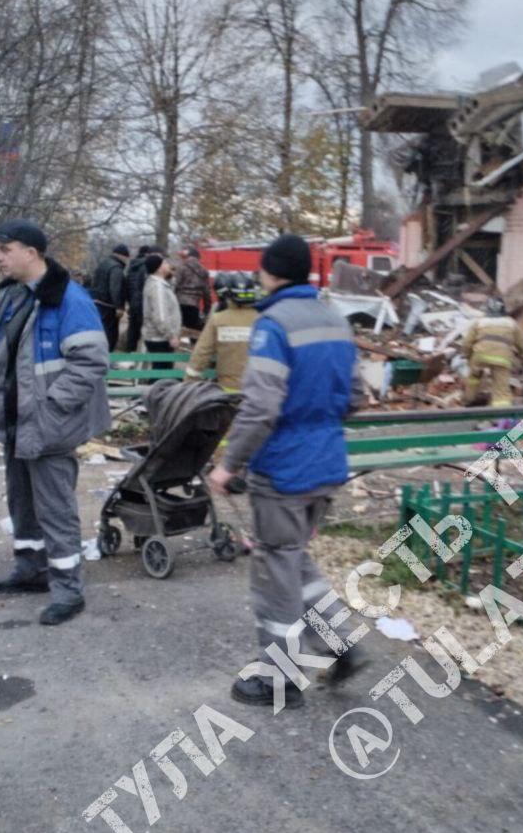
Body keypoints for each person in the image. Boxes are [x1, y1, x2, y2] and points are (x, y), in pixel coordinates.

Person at [207, 235, 366, 708]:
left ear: (271, 273)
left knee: (275, 569)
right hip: (327, 464)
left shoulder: (272, 325)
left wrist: (228, 464)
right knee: (294, 558)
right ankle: (340, 642)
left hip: (283, 471)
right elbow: (356, 396)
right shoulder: (336, 320)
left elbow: (261, 407)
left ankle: (279, 678)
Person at [0, 220, 110, 625]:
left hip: (48, 425)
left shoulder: (69, 300)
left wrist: (51, 406)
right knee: (21, 500)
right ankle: (31, 568)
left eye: (4, 249)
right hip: (17, 423)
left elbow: (91, 361)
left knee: (55, 507)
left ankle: (68, 590)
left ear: (31, 253)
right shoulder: (13, 297)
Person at [184, 272, 258, 392]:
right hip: (256, 392)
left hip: (227, 391)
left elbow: (202, 353)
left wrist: (190, 381)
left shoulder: (218, 319)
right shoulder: (262, 320)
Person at [462, 295, 523, 409]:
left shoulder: (479, 322)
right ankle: (499, 415)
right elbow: (521, 345)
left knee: (473, 377)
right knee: (501, 387)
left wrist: (466, 355)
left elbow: (467, 342)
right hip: (502, 359)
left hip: (480, 356)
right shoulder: (511, 323)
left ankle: (469, 400)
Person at [141, 253, 182, 369]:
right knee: (162, 376)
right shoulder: (158, 287)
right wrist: (171, 336)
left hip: (159, 337)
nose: (168, 265)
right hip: (160, 339)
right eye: (165, 263)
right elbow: (161, 316)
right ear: (159, 268)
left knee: (161, 374)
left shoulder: (158, 284)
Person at [89, 243, 129, 351]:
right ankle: (108, 359)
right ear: (123, 256)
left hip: (96, 303)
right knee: (110, 335)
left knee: (99, 332)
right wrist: (119, 306)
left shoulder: (103, 264)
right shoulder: (116, 268)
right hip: (108, 306)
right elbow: (115, 288)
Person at [174, 245, 212, 332]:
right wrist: (206, 310)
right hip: (194, 306)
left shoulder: (181, 267)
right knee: (194, 333)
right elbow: (206, 293)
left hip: (179, 304)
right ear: (198, 258)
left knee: (178, 332)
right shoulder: (204, 271)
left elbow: (175, 285)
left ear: (187, 256)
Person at [124, 245, 154, 353]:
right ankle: (141, 357)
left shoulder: (132, 265)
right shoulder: (146, 265)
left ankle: (129, 354)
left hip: (133, 300)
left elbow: (127, 283)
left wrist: (129, 300)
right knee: (144, 329)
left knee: (132, 329)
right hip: (142, 301)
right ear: (148, 254)